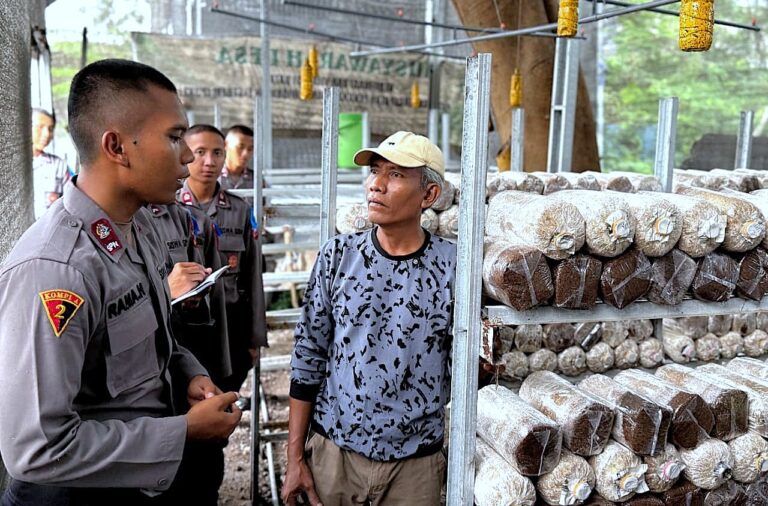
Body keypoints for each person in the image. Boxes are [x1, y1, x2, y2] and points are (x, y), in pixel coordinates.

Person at [0, 59, 241, 506]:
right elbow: (37, 451)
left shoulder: (140, 226)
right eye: (174, 138)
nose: (189, 157)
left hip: (138, 483)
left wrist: (186, 372)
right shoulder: (57, 270)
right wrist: (182, 432)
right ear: (117, 146)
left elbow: (154, 336)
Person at [282, 131, 456, 506]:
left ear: (429, 195)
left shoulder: (452, 265)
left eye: (395, 175)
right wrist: (295, 457)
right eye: (375, 171)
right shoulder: (338, 256)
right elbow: (308, 356)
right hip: (336, 455)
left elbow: (469, 369)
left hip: (415, 466)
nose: (375, 184)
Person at [146, 202, 232, 505]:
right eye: (175, 149)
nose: (187, 158)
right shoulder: (72, 252)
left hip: (187, 359)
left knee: (203, 469)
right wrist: (166, 292)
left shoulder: (187, 218)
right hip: (144, 418)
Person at [178, 124, 268, 396]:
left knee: (224, 401)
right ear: (183, 154)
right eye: (200, 152)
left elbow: (253, 275)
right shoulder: (166, 209)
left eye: (217, 152)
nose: (209, 161)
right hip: (181, 332)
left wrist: (254, 338)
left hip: (231, 328)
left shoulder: (239, 210)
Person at [31, 108, 71, 219]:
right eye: (40, 127)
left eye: (50, 129)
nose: (46, 134)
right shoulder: (12, 167)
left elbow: (71, 201)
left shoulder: (59, 165)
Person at [219, 124, 255, 190]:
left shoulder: (256, 180)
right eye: (240, 147)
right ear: (225, 145)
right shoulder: (213, 177)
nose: (246, 154)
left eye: (250, 149)